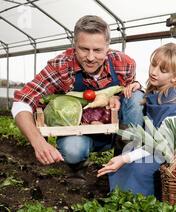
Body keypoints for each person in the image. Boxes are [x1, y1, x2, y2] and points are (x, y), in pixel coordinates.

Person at [11, 15, 144, 186]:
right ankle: (77, 167)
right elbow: (22, 101)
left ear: (107, 46)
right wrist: (38, 142)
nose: (90, 57)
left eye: (97, 50)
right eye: (83, 49)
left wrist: (118, 95)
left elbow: (131, 98)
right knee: (73, 150)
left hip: (116, 133)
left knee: (136, 95)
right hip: (79, 135)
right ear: (74, 45)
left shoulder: (124, 63)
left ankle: (125, 159)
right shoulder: (62, 66)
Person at [97, 42, 176, 199]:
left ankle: (141, 201)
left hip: (174, 150)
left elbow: (163, 144)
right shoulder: (159, 90)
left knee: (138, 167)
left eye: (163, 70)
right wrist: (137, 87)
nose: (154, 72)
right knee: (130, 159)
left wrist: (125, 158)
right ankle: (124, 197)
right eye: (153, 65)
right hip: (154, 144)